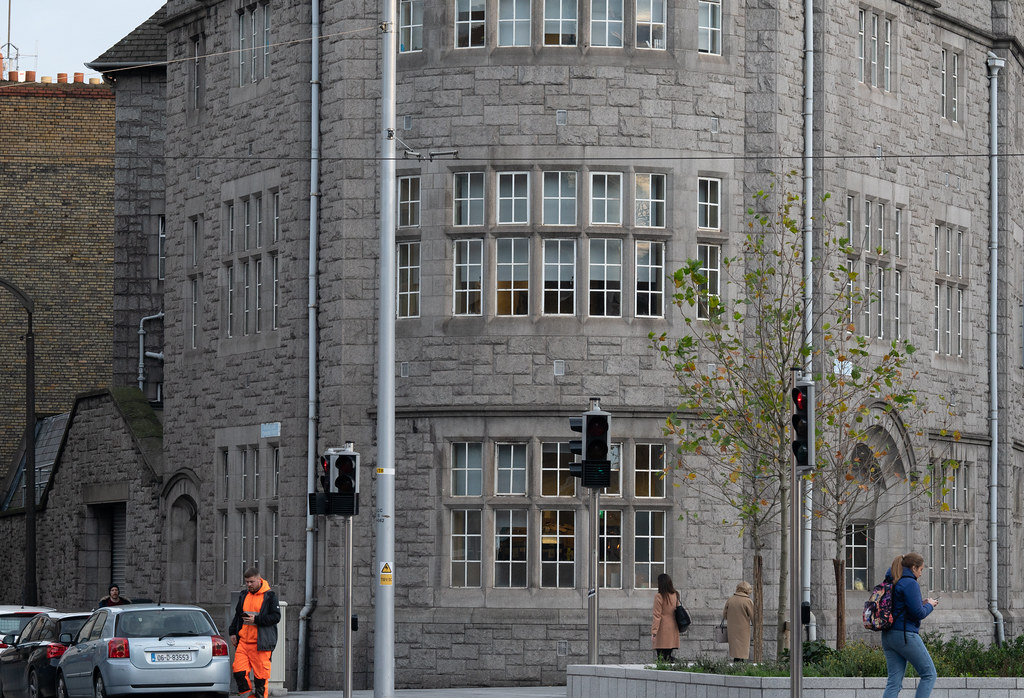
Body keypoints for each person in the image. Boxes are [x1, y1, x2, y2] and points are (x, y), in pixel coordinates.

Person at [882, 552, 938, 698]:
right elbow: (918, 614)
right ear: (914, 568)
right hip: (905, 635)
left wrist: (921, 603)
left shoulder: (893, 580)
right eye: (921, 570)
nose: (920, 574)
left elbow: (901, 607)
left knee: (894, 682)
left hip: (888, 636)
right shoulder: (910, 583)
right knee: (929, 674)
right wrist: (930, 605)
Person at [229, 567, 281, 698]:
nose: (248, 585)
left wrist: (257, 619)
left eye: (251, 582)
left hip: (261, 645)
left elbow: (276, 617)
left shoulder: (270, 596)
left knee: (260, 681)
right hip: (244, 644)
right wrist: (232, 632)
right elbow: (237, 616)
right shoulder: (243, 595)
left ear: (259, 580)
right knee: (239, 673)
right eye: (246, 582)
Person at [650, 573, 680, 662]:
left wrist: (654, 631)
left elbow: (657, 615)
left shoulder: (659, 596)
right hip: (673, 625)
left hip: (662, 627)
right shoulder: (675, 595)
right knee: (668, 654)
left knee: (660, 656)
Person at [723, 581, 754, 662]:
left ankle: (736, 663)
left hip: (732, 628)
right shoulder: (747, 601)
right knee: (742, 649)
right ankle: (741, 666)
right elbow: (753, 616)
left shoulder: (730, 599)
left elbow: (724, 615)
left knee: (735, 648)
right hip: (743, 629)